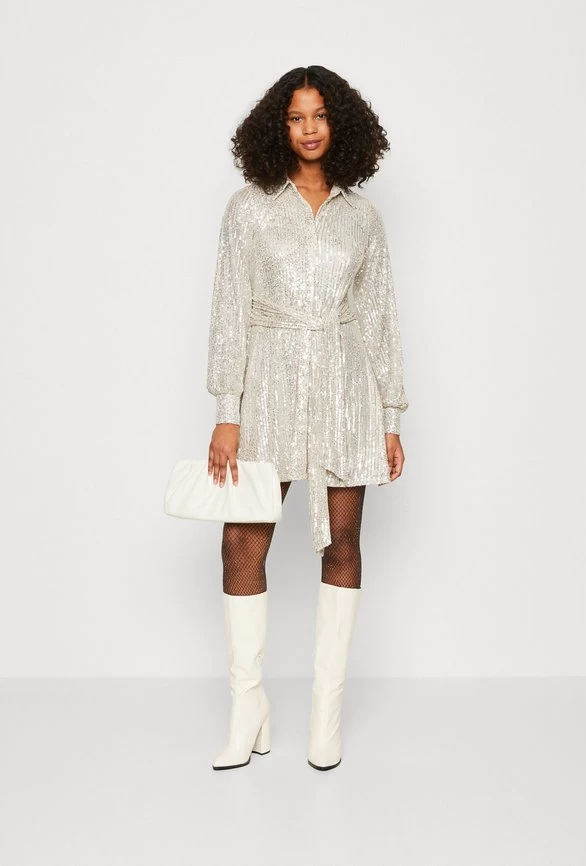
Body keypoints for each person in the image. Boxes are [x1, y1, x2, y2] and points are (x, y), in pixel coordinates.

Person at [206, 65, 409, 771]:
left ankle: (326, 716)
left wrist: (390, 415)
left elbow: (380, 318)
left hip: (346, 389)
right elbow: (229, 308)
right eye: (296, 117)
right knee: (243, 540)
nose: (310, 128)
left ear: (340, 124)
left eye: (320, 115)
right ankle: (248, 707)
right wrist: (227, 412)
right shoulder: (249, 208)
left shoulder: (363, 218)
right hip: (268, 387)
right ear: (278, 127)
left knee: (344, 540)